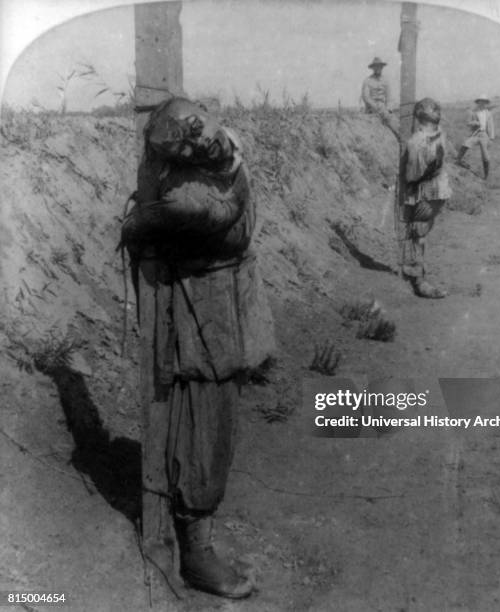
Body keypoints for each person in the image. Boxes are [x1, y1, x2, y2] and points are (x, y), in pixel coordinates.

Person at [121, 97, 274, 599]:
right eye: (184, 142)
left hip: (228, 305)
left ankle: (198, 539)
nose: (199, 138)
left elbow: (227, 157)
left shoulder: (224, 149)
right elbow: (221, 210)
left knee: (218, 422)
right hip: (200, 313)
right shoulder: (190, 196)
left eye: (196, 125)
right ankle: (197, 554)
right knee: (205, 427)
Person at [400, 97, 452, 299]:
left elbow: (412, 175)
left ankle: (419, 281)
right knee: (422, 230)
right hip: (439, 190)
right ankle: (415, 271)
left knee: (417, 234)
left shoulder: (415, 142)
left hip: (423, 191)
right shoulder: (441, 135)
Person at [456, 94, 495, 179]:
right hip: (476, 134)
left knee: (485, 154)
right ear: (478, 102)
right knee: (466, 144)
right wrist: (475, 123)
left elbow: (491, 126)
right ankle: (458, 160)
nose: (483, 104)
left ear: (486, 103)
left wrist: (491, 138)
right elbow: (468, 123)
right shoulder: (473, 112)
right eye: (481, 102)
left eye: (484, 102)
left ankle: (486, 175)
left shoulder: (488, 114)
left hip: (484, 135)